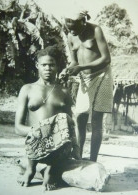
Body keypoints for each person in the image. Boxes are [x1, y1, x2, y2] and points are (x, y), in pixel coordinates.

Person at [15, 46, 80, 191]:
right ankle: (31, 169)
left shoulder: (64, 91)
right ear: (37, 66)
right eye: (44, 65)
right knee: (40, 127)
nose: (48, 68)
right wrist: (39, 130)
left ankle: (50, 170)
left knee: (64, 118)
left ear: (57, 67)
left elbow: (70, 124)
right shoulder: (27, 89)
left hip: (58, 147)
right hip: (35, 144)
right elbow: (18, 128)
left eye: (52, 65)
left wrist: (76, 147)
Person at [61, 10, 113, 162]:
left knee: (96, 119)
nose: (71, 31)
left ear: (83, 21)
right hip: (85, 78)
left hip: (103, 75)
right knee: (80, 117)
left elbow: (106, 58)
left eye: (74, 28)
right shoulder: (70, 35)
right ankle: (78, 156)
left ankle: (92, 160)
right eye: (68, 27)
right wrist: (68, 69)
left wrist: (81, 68)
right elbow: (74, 61)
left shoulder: (96, 30)